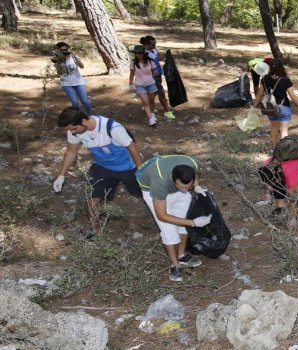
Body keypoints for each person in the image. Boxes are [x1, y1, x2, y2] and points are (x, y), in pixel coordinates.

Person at [52, 107, 142, 240]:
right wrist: (61, 175)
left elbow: (132, 147)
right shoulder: (75, 132)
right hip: (103, 167)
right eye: (70, 130)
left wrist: (141, 171)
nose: (72, 132)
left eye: (74, 128)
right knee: (91, 201)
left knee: (145, 194)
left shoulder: (111, 128)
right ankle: (95, 231)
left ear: (83, 121)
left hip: (128, 167)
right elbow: (71, 151)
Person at [136, 154, 212, 282]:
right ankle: (175, 265)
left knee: (183, 219)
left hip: (173, 188)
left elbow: (194, 173)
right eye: (182, 186)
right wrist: (193, 223)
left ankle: (181, 256)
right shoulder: (159, 182)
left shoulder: (193, 162)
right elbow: (162, 215)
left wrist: (197, 187)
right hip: (153, 193)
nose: (186, 189)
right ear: (173, 178)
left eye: (189, 186)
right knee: (169, 229)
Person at [253, 59, 298, 148]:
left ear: (270, 68)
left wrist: (253, 106)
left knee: (274, 127)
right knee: (284, 130)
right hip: (283, 107)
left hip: (270, 107)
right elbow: (293, 97)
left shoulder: (264, 79)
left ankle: (274, 147)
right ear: (281, 68)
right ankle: (283, 150)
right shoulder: (285, 80)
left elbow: (259, 94)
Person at [140, 35, 176, 120]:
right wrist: (164, 54)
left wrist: (165, 54)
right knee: (161, 93)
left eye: (155, 43)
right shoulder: (144, 54)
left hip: (158, 75)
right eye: (152, 44)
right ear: (146, 44)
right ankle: (167, 111)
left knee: (153, 92)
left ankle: (146, 106)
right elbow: (154, 59)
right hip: (151, 77)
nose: (154, 46)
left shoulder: (153, 50)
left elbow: (157, 58)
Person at [53, 42, 92, 116]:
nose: (64, 51)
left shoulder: (73, 57)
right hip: (66, 83)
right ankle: (77, 118)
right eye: (62, 50)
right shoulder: (58, 59)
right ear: (59, 51)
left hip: (78, 82)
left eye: (65, 49)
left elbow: (82, 66)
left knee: (85, 101)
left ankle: (91, 117)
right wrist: (57, 63)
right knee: (75, 102)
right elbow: (59, 73)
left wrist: (75, 56)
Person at [128, 45, 158, 127]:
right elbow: (132, 74)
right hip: (139, 85)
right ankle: (151, 120)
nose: (137, 55)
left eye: (139, 53)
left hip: (151, 83)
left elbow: (154, 71)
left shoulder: (150, 61)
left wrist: (155, 73)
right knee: (146, 103)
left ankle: (152, 114)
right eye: (136, 53)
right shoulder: (133, 63)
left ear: (143, 53)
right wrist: (130, 83)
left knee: (152, 101)